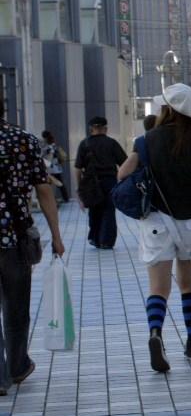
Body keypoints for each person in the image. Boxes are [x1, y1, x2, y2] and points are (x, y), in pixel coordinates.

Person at [116, 84, 191, 372]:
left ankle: (155, 333)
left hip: (156, 222)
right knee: (188, 284)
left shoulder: (146, 140)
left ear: (167, 109)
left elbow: (123, 173)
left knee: (158, 288)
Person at [0, 98, 65, 395]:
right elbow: (43, 190)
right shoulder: (23, 140)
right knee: (16, 308)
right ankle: (17, 366)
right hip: (14, 238)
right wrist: (56, 235)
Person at [75, 116, 126, 249]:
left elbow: (78, 168)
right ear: (105, 129)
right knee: (109, 210)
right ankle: (107, 241)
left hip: (91, 183)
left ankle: (95, 238)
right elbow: (124, 163)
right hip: (109, 181)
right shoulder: (111, 143)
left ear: (91, 129)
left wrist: (79, 186)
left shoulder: (84, 144)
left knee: (94, 209)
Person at [40, 130, 69, 202]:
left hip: (49, 167)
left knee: (50, 184)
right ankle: (65, 198)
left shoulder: (46, 146)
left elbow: (45, 156)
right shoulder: (54, 145)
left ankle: (52, 198)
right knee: (59, 183)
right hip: (56, 167)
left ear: (44, 137)